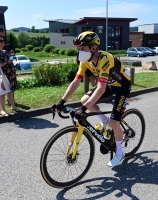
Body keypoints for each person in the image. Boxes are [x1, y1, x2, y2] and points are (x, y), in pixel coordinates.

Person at [55, 31, 131, 167]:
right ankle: (104, 121)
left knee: (115, 122)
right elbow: (75, 83)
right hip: (110, 84)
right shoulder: (85, 62)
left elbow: (100, 88)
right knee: (85, 99)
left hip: (122, 86)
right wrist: (61, 102)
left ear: (93, 47)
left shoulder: (105, 59)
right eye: (78, 49)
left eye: (83, 49)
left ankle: (120, 153)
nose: (80, 52)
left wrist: (83, 110)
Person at [0, 34, 21, 117]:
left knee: (10, 90)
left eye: (3, 40)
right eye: (1, 41)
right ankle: (3, 110)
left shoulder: (4, 51)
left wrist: (10, 61)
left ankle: (13, 106)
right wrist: (8, 62)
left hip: (9, 74)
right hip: (2, 75)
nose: (3, 42)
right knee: (2, 92)